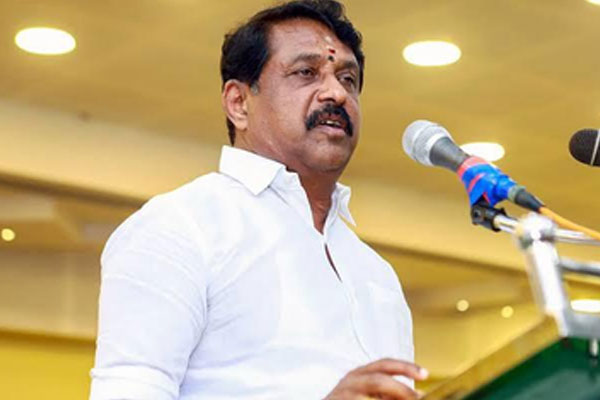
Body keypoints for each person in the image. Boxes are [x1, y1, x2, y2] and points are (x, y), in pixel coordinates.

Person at [90, 1, 428, 399]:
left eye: (348, 78)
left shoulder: (377, 275)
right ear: (238, 103)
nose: (336, 92)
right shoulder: (181, 226)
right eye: (306, 72)